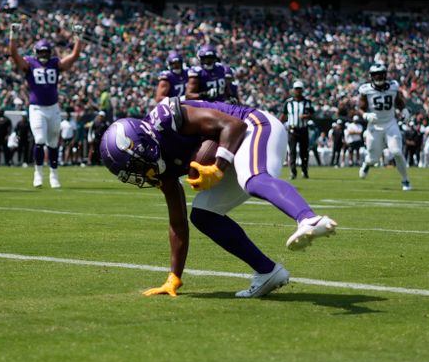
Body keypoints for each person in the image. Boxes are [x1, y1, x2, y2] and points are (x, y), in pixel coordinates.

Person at [99, 97, 337, 298]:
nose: (140, 175)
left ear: (144, 145)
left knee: (253, 178)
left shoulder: (167, 119)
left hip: (254, 125)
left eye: (136, 167)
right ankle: (267, 271)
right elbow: (178, 222)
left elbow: (233, 126)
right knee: (203, 216)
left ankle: (308, 219)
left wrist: (219, 167)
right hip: (233, 144)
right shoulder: (161, 168)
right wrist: (174, 276)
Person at [8, 23, 83, 188]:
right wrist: (13, 35)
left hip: (54, 108)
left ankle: (54, 175)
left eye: (46, 51)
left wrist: (78, 37)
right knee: (40, 140)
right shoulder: (29, 64)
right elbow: (13, 54)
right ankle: (38, 173)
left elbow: (75, 54)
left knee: (54, 143)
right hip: (36, 108)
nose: (43, 54)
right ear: (36, 52)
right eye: (41, 51)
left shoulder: (55, 64)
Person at [357, 63, 411, 190]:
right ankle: (366, 164)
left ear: (385, 74)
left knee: (397, 152)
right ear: (371, 76)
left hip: (390, 123)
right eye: (375, 75)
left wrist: (404, 110)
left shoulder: (393, 86)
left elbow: (398, 102)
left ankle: (405, 180)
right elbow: (360, 108)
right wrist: (365, 115)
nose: (378, 77)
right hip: (374, 126)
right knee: (373, 159)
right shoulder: (366, 90)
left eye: (381, 74)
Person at [280, 80, 314, 180]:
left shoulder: (307, 102)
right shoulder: (289, 102)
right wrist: (278, 123)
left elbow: (312, 114)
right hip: (292, 130)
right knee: (292, 151)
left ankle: (304, 171)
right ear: (293, 90)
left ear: (302, 90)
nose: (298, 91)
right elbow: (284, 115)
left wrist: (306, 116)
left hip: (303, 129)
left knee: (304, 152)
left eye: (300, 89)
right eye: (296, 89)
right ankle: (293, 172)